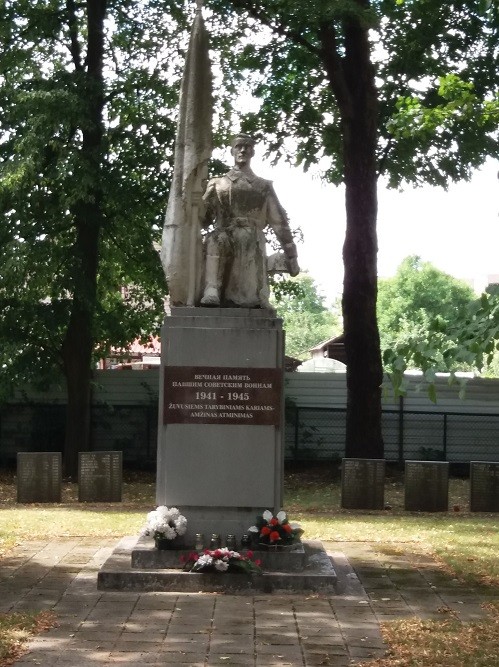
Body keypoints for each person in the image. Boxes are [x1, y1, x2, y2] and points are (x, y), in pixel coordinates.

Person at [200, 134, 299, 308]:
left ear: (253, 152)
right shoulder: (217, 183)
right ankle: (211, 289)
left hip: (250, 239)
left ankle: (247, 296)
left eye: (247, 146)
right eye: (239, 146)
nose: (243, 150)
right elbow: (204, 221)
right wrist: (201, 203)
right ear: (232, 151)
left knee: (246, 241)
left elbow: (279, 222)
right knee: (215, 239)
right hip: (223, 234)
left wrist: (292, 255)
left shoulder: (263, 186)